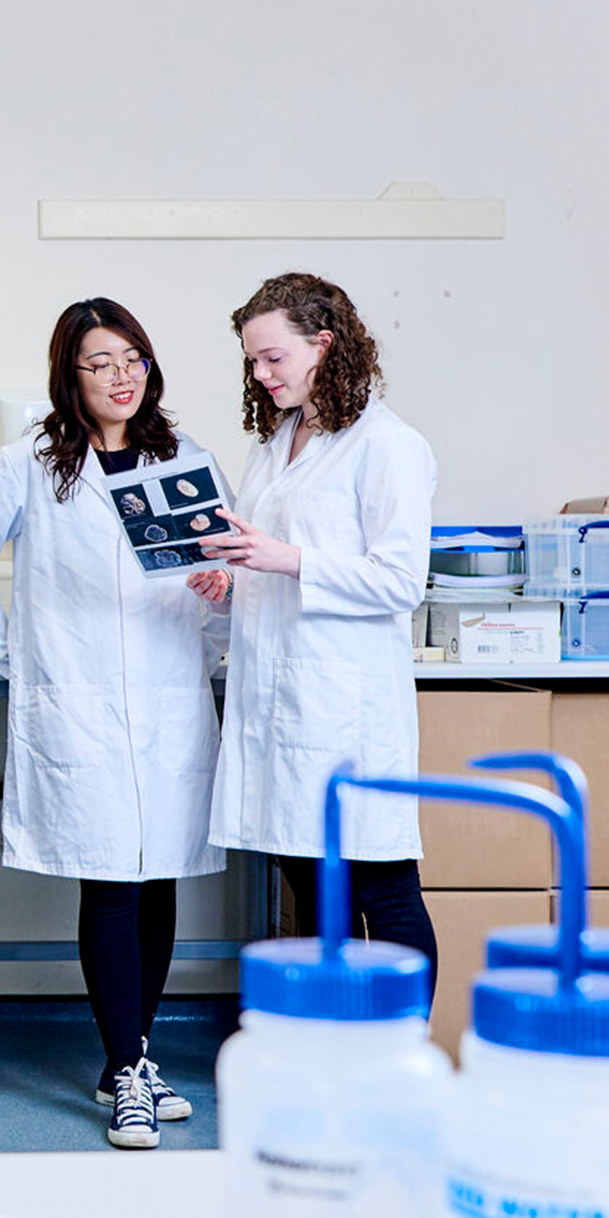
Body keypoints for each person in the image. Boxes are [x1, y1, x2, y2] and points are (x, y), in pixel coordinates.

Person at [0, 298, 227, 1150]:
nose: (120, 376)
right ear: (70, 376)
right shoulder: (30, 463)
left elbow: (220, 568)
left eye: (132, 357)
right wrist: (14, 657)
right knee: (109, 877)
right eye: (99, 363)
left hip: (170, 698)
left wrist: (214, 624)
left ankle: (124, 1060)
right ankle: (128, 1071)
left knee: (160, 872)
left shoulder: (186, 461)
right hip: (76, 699)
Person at [201, 273, 440, 984]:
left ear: (323, 345)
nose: (259, 373)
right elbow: (272, 563)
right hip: (280, 705)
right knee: (309, 887)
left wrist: (284, 558)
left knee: (382, 891)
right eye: (250, 360)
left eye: (272, 357)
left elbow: (400, 580)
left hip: (346, 711)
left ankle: (398, 1055)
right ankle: (333, 1047)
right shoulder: (278, 441)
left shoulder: (387, 445)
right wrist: (232, 577)